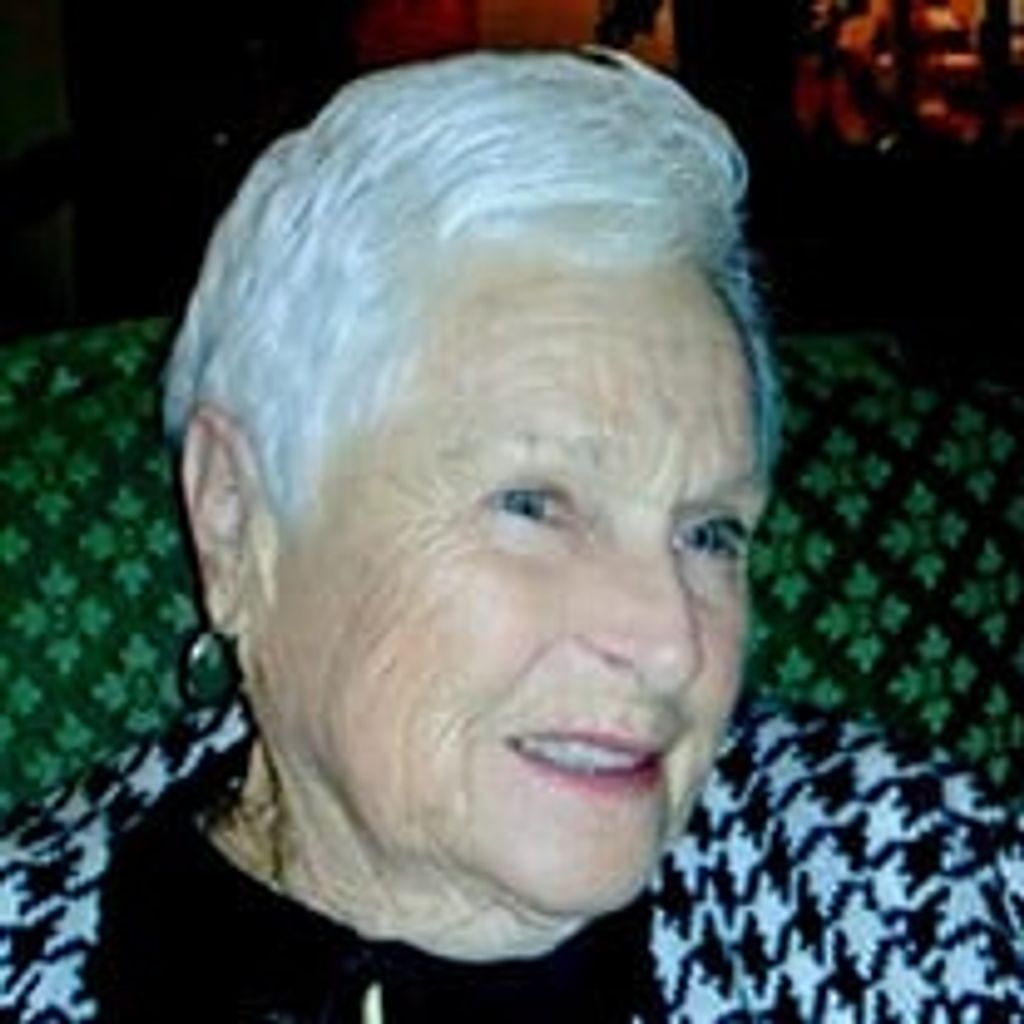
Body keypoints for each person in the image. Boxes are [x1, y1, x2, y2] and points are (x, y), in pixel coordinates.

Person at [1, 49, 1021, 1023]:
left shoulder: (918, 897)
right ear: (236, 519)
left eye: (710, 533)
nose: (670, 642)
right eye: (533, 505)